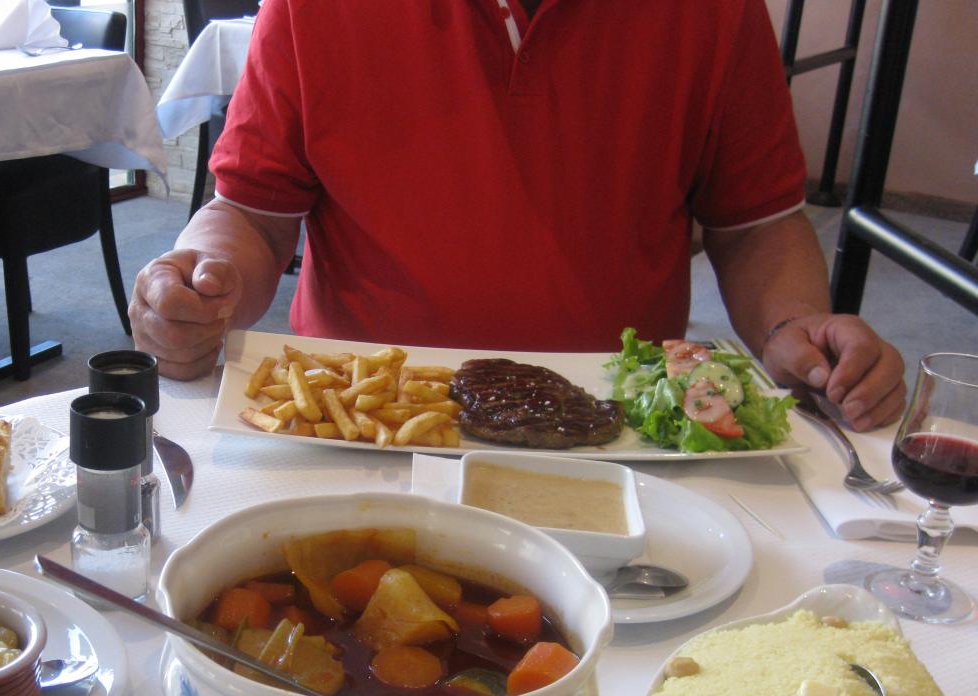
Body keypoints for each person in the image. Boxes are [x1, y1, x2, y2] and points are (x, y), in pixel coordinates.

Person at [130, 0, 906, 431]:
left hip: (616, 428)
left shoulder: (715, 10)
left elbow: (756, 224)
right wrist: (203, 275)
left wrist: (791, 328)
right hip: (363, 428)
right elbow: (253, 213)